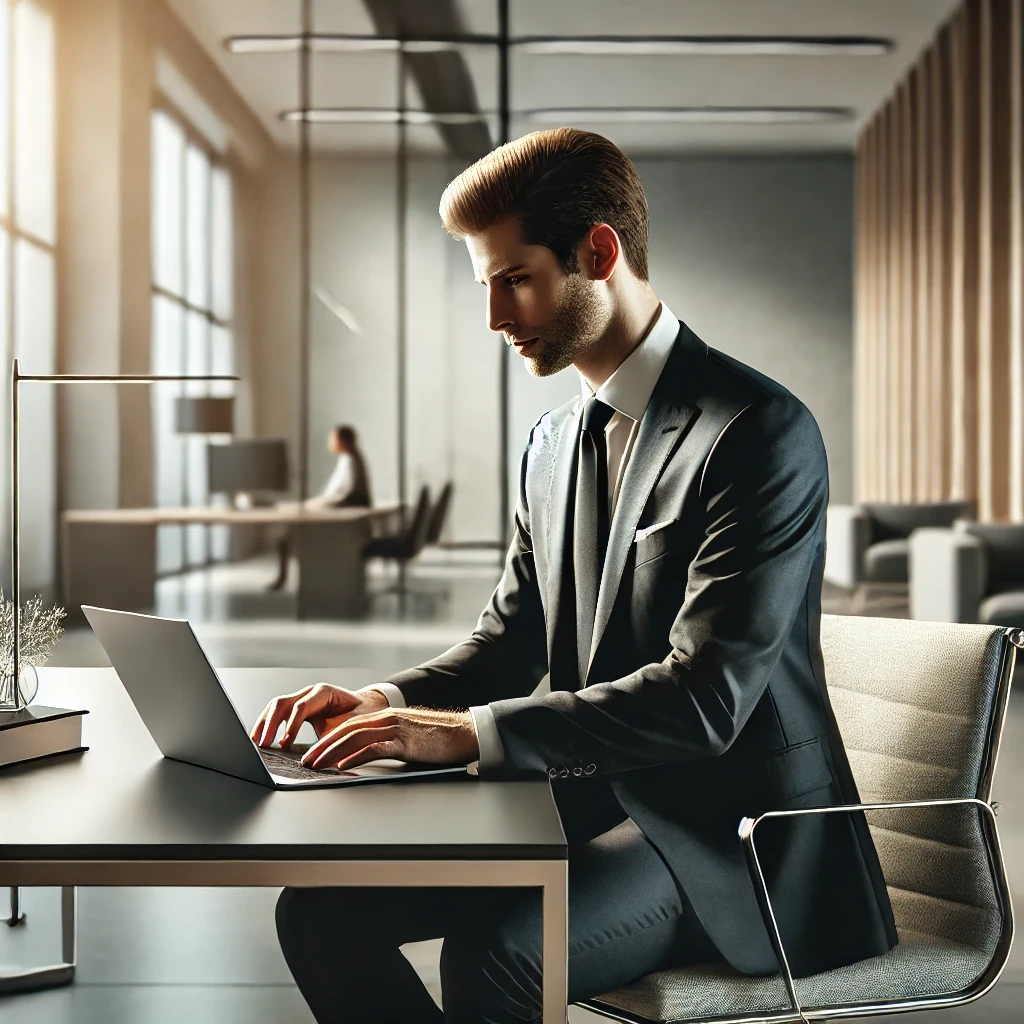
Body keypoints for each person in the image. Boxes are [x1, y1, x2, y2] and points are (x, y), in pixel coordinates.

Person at [253, 128, 897, 1023]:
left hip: (733, 839)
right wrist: (379, 699)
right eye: (484, 285)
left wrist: (465, 735)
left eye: (514, 279)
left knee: (498, 958)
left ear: (599, 251)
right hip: (592, 801)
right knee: (322, 917)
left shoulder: (757, 432)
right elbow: (506, 642)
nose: (494, 317)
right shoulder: (550, 445)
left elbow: (707, 698)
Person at [266, 424, 371, 591]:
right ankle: (286, 575)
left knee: (287, 536)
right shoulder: (349, 459)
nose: (329, 442)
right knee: (288, 532)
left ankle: (287, 577)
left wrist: (318, 505)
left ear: (341, 441)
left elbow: (345, 495)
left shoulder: (350, 461)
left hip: (335, 515)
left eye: (332, 438)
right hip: (332, 510)